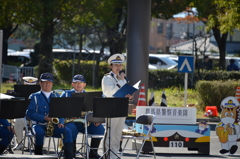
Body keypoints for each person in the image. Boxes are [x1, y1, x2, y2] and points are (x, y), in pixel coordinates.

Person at [26, 73, 75, 158]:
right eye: (45, 82)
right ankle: (38, 155)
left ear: (52, 84)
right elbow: (29, 114)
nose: (47, 84)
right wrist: (44, 118)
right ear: (40, 83)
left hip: (54, 125)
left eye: (49, 82)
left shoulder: (56, 96)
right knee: (39, 133)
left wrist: (61, 122)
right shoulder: (34, 96)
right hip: (38, 125)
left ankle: (68, 156)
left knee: (67, 131)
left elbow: (61, 112)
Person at [61, 74, 105, 159]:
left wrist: (97, 119)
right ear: (72, 84)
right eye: (76, 82)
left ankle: (93, 153)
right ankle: (71, 152)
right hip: (71, 122)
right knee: (71, 129)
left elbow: (96, 110)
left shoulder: (90, 96)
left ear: (84, 84)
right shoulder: (66, 94)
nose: (78, 84)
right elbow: (59, 108)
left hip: (86, 123)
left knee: (100, 129)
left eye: (80, 82)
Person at [101, 54, 133, 159]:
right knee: (110, 133)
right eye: (116, 65)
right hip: (111, 108)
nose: (119, 67)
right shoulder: (107, 78)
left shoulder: (123, 79)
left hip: (122, 108)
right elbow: (111, 93)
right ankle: (107, 155)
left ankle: (114, 155)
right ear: (111, 66)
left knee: (118, 134)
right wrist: (121, 81)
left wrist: (130, 96)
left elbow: (125, 93)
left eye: (120, 65)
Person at [13, 76, 38, 150]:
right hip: (23, 117)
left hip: (35, 117)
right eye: (27, 86)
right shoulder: (19, 93)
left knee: (42, 121)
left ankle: (38, 144)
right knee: (18, 121)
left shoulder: (39, 95)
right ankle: (20, 143)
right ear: (24, 84)